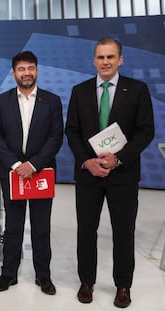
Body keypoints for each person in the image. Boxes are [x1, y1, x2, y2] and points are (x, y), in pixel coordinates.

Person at [65, 37, 155, 308]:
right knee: (86, 230)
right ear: (94, 60)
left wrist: (118, 159)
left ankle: (123, 286)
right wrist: (86, 161)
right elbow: (72, 131)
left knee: (123, 232)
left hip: (123, 176)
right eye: (101, 57)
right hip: (88, 175)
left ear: (120, 59)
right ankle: (87, 281)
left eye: (110, 57)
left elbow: (145, 130)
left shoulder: (137, 89)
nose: (105, 62)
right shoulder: (79, 91)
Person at [0, 51, 63, 295]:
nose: (26, 73)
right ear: (14, 73)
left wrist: (33, 165)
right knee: (13, 227)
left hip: (41, 174)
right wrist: (15, 165)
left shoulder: (52, 100)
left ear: (37, 71)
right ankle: (8, 273)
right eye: (21, 69)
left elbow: (55, 136)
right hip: (13, 174)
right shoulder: (2, 100)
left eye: (31, 68)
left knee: (42, 227)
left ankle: (44, 275)